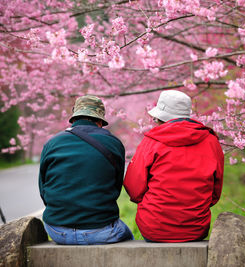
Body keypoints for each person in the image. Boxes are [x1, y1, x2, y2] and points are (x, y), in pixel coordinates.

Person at [124, 90, 224, 242]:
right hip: (196, 228)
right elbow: (215, 193)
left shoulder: (152, 141)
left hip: (154, 228)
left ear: (160, 118)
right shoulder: (211, 141)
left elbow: (134, 189)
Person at [38, 95, 133, 245]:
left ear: (74, 119)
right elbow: (115, 188)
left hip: (57, 230)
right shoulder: (114, 144)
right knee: (129, 236)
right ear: (100, 122)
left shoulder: (52, 143)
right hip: (101, 230)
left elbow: (43, 189)